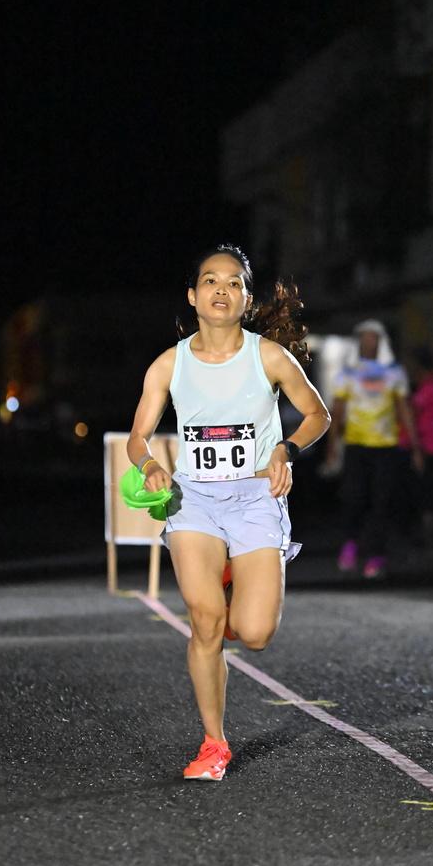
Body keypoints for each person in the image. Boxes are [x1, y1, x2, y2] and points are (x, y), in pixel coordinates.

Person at [126, 244, 330, 781]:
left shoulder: (269, 357)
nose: (222, 289)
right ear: (193, 297)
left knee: (254, 632)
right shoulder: (169, 363)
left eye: (234, 282)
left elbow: (318, 414)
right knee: (206, 622)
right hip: (193, 501)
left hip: (256, 499)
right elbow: (137, 437)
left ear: (246, 299)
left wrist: (286, 448)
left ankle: (232, 579)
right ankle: (214, 743)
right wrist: (150, 464)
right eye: (211, 281)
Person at [325, 320, 421, 578]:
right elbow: (337, 411)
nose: (370, 343)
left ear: (382, 343)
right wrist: (332, 447)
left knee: (382, 502)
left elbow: (404, 409)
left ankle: (376, 555)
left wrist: (415, 447)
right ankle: (350, 544)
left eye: (374, 338)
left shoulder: (394, 373)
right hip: (356, 446)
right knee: (353, 499)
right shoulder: (347, 374)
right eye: (365, 338)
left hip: (385, 447)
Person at [399, 344, 433, 547]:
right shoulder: (432, 386)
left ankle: (426, 535)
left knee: (422, 492)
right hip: (426, 446)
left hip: (423, 447)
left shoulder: (429, 388)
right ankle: (424, 534)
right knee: (423, 491)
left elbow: (411, 413)